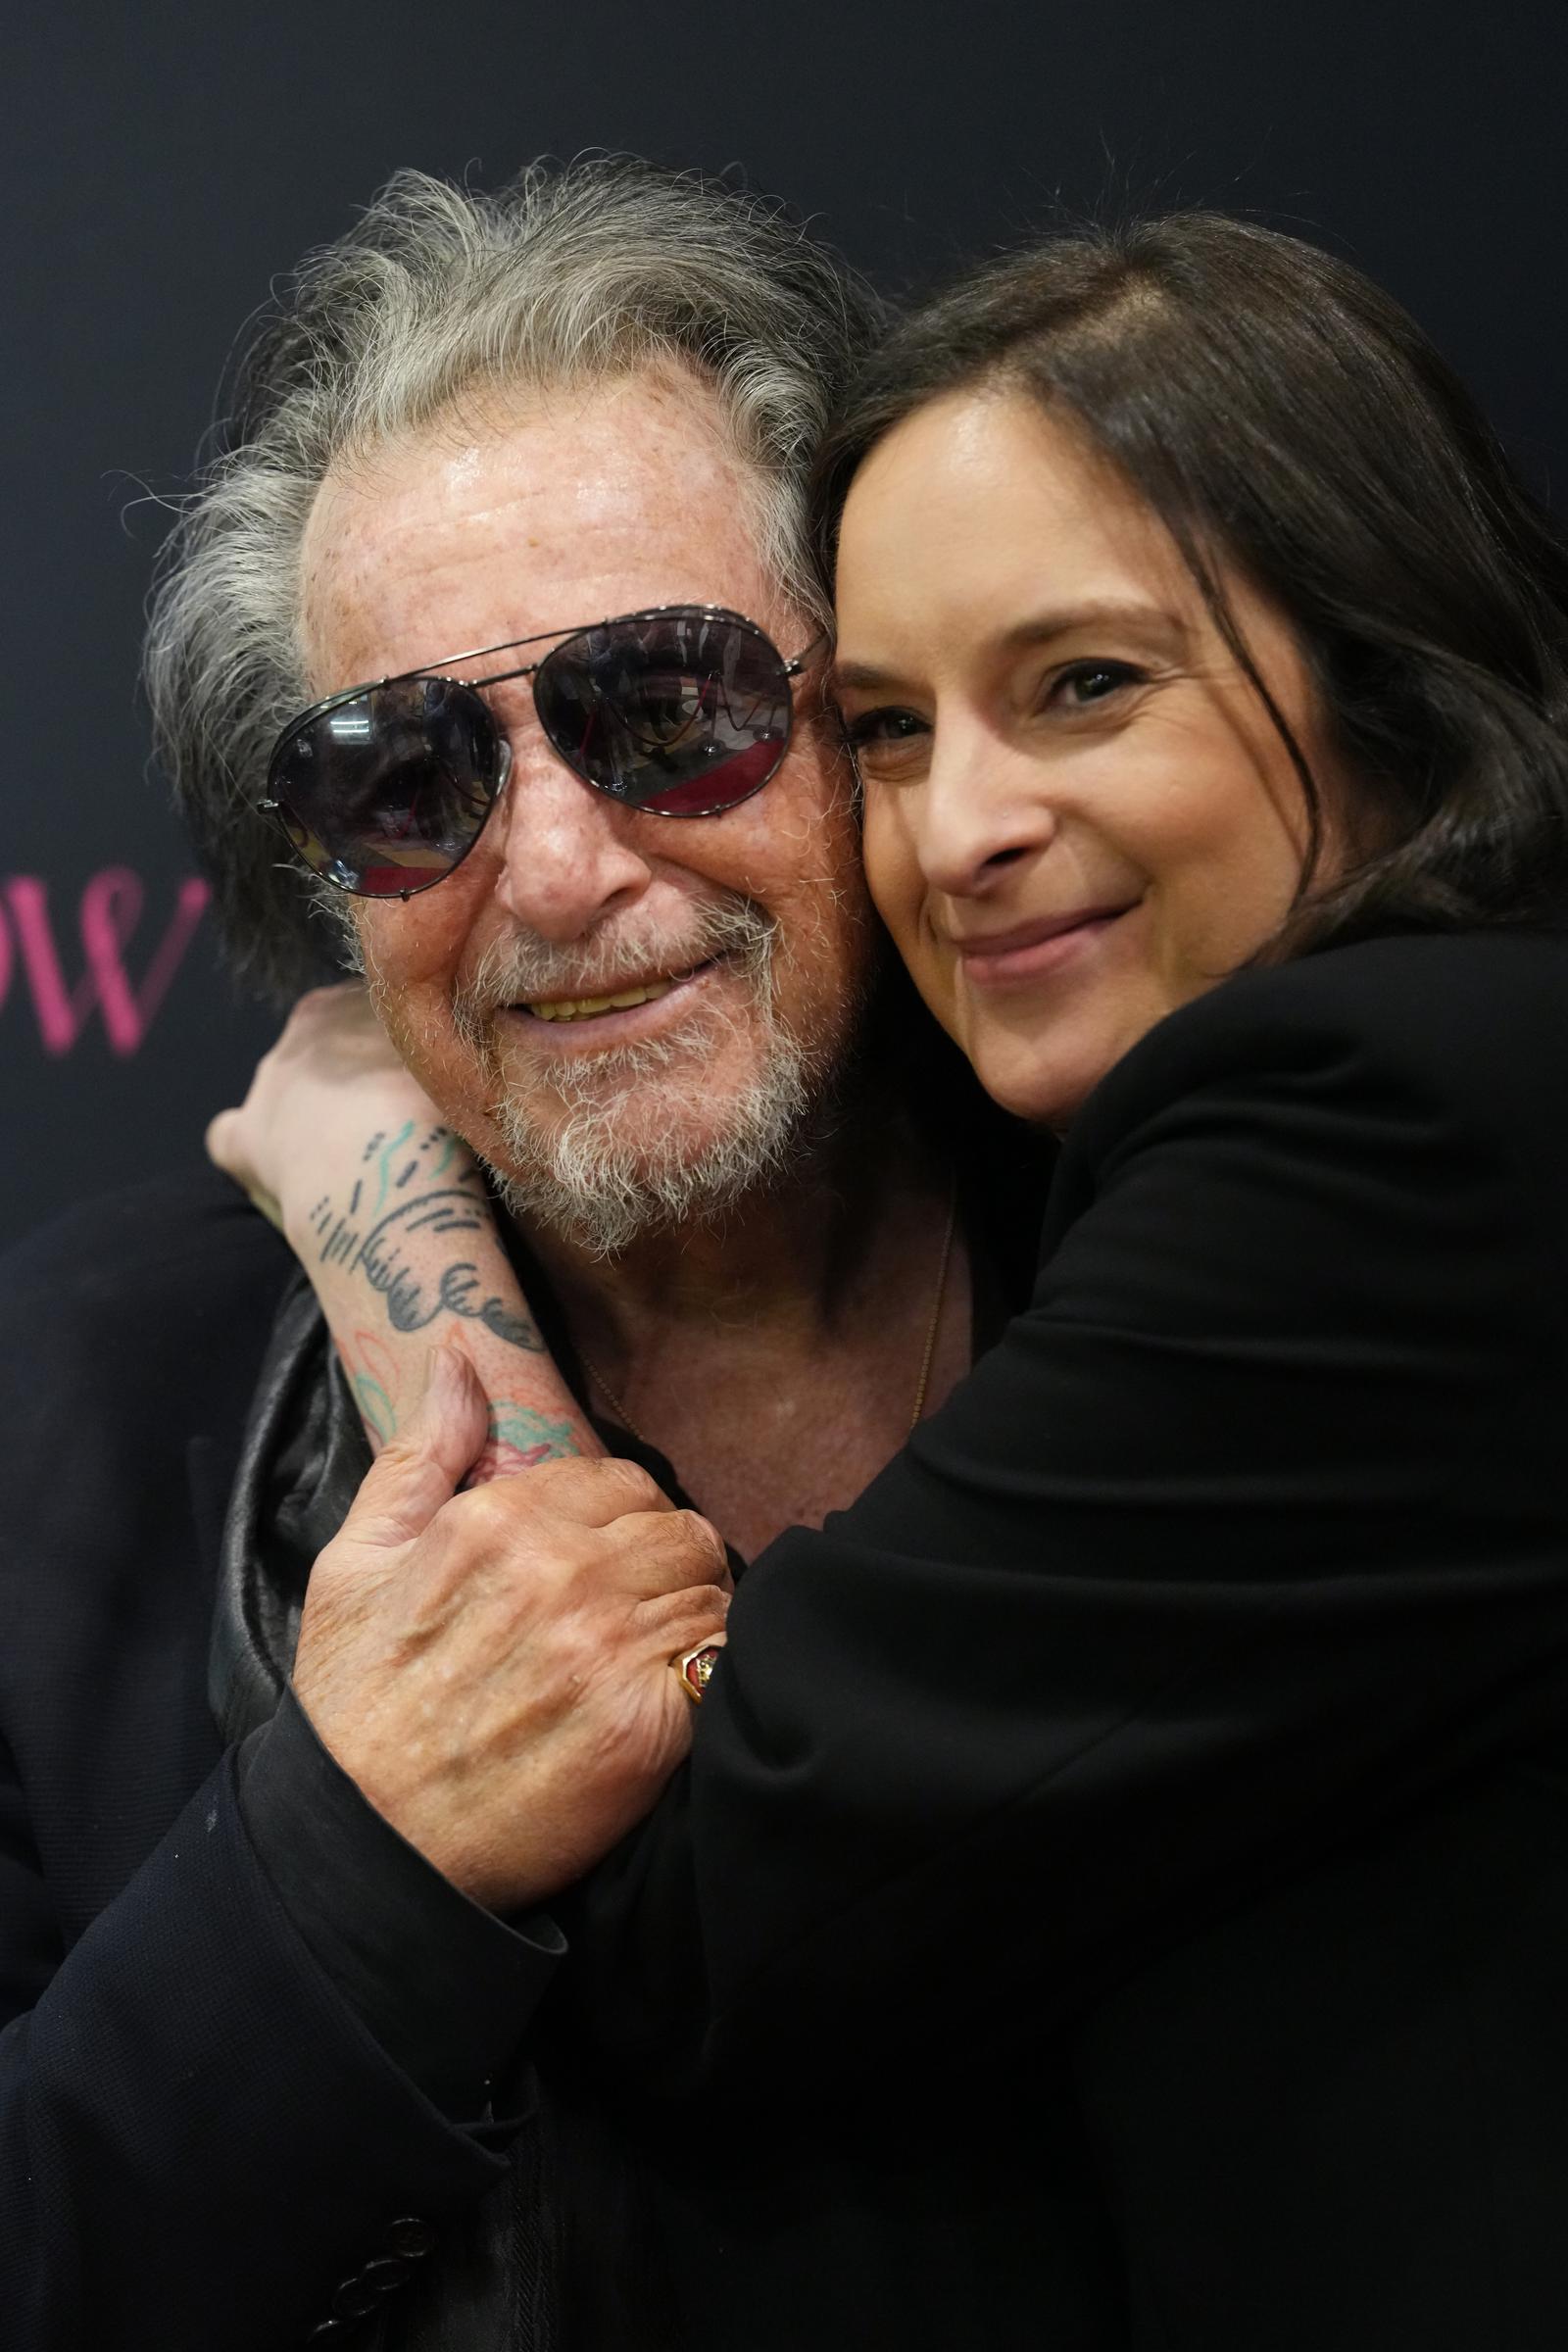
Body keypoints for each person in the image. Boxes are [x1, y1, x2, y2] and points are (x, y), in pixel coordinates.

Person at [229, 212, 1568, 2350]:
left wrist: (384, 1211)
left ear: (1383, 684)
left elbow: (698, 1912)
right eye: (887, 724)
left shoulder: (1394, 1119)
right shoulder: (89, 1418)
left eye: (1085, 686)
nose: (958, 829)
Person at [0, 160, 1099, 2352]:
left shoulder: (1221, 1272)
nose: (560, 870)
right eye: (404, 775)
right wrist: (339, 1867)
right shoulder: (74, 1415)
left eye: (671, 703)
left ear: (870, 719)